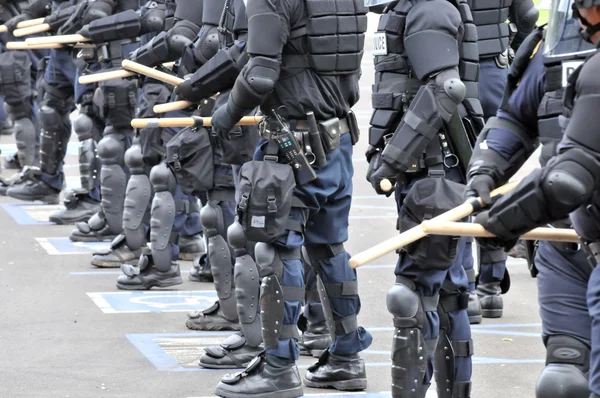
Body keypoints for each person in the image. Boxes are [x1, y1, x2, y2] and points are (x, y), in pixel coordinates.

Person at [204, 0, 372, 395]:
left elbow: (260, 74)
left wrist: (225, 114)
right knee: (330, 248)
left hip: (294, 145)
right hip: (337, 137)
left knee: (276, 250)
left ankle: (279, 364)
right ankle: (347, 357)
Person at [473, 1, 600, 396]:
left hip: (575, 213)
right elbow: (516, 116)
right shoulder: (557, 45)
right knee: (562, 379)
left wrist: (503, 223)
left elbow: (570, 176)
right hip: (564, 243)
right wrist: (485, 169)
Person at [366, 0, 484, 394]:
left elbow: (445, 89)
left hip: (434, 174)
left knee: (413, 295)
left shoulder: (429, 8)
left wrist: (392, 160)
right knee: (447, 294)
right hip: (433, 174)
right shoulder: (416, 7)